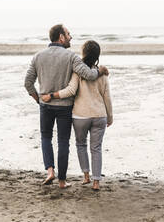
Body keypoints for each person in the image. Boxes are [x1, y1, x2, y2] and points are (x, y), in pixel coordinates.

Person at [24, 24, 108, 189]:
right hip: (64, 107)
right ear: (61, 37)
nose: (71, 37)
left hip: (46, 105)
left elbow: (28, 83)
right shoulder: (71, 57)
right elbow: (89, 75)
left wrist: (38, 99)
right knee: (63, 142)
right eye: (68, 34)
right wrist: (101, 71)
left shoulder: (38, 56)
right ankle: (62, 181)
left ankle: (50, 171)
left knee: (46, 138)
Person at [41, 40, 113, 191]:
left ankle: (86, 176)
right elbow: (107, 97)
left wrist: (52, 95)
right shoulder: (103, 74)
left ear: (83, 53)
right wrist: (110, 117)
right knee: (96, 148)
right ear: (97, 55)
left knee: (81, 145)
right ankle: (96, 182)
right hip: (99, 115)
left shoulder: (78, 73)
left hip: (80, 116)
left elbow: (70, 91)